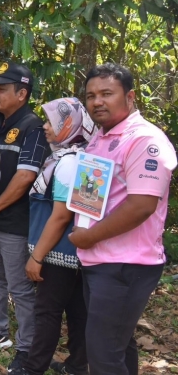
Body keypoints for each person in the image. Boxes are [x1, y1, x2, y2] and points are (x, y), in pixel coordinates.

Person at [68, 64, 176, 375]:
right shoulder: (100, 138)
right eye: (91, 96)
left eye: (107, 94)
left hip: (126, 264)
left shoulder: (144, 140)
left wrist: (89, 236)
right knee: (117, 345)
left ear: (130, 97)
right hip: (98, 259)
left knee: (103, 355)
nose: (97, 102)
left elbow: (141, 205)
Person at [0, 62, 49, 375]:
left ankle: (27, 347)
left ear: (22, 93)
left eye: (2, 88)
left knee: (20, 287)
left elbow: (26, 176)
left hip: (14, 222)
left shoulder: (32, 127)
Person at [20, 98, 95, 375]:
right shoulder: (78, 157)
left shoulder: (68, 163)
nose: (45, 126)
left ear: (68, 126)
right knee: (77, 310)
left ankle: (33, 368)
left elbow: (61, 216)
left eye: (51, 122)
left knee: (47, 311)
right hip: (75, 251)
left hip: (57, 251)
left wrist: (37, 257)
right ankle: (76, 365)